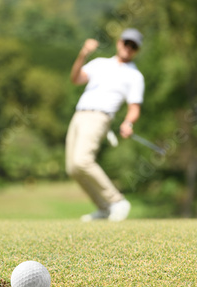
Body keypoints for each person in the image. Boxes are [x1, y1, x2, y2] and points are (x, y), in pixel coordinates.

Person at [66, 28, 145, 222]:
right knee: (72, 168)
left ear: (137, 51)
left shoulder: (135, 76)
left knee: (82, 160)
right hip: (79, 115)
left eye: (133, 46)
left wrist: (128, 122)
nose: (128, 48)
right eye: (126, 43)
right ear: (119, 43)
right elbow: (75, 79)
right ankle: (104, 208)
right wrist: (83, 54)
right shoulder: (100, 63)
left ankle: (117, 201)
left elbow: (134, 107)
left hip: (99, 118)